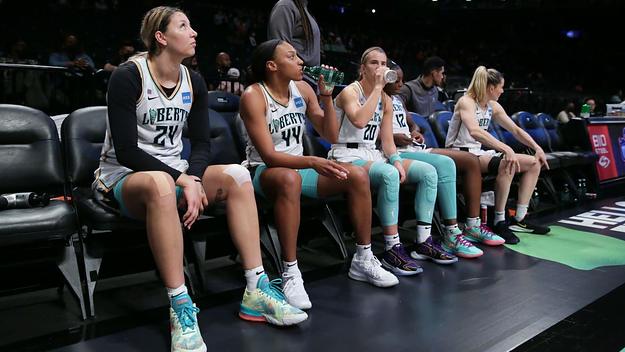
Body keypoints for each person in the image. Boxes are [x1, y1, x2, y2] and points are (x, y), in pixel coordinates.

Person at [93, 7, 307, 352]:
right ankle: (179, 305)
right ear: (161, 38)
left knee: (237, 175)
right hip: (124, 177)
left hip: (176, 174)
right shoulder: (128, 76)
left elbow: (203, 143)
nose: (194, 32)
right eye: (183, 26)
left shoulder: (193, 80)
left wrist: (192, 177)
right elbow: (127, 151)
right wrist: (184, 180)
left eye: (192, 25)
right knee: (161, 184)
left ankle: (256, 288)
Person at [240, 40, 398, 310]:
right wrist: (312, 161)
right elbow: (268, 156)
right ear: (272, 65)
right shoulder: (253, 95)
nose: (301, 61)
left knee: (357, 175)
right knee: (289, 179)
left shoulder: (303, 89)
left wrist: (326, 96)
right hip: (264, 171)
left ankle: (363, 258)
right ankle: (290, 272)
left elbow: (331, 135)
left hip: (302, 167)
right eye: (292, 56)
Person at [330, 47, 482, 272]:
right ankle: (392, 248)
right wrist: (379, 88)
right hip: (346, 154)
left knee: (428, 172)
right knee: (389, 174)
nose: (380, 68)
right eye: (374, 63)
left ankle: (423, 241)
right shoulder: (351, 92)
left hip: (373, 153)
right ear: (362, 69)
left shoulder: (386, 98)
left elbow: (388, 141)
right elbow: (360, 121)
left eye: (383, 63)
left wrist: (397, 160)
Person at [384, 60, 505, 255]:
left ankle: (472, 226)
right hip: (393, 152)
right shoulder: (376, 99)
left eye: (402, 80)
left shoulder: (397, 99)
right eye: (397, 80)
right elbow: (369, 135)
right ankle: (450, 232)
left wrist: (414, 130)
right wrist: (393, 137)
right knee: (443, 165)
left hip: (412, 147)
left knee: (470, 160)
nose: (401, 84)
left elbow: (411, 122)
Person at [446, 66, 551, 243]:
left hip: (478, 153)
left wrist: (537, 148)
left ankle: (519, 219)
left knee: (534, 163)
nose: (503, 90)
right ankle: (500, 220)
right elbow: (474, 131)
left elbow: (516, 130)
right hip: (458, 154)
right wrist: (505, 148)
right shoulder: (466, 101)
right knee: (507, 162)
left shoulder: (492, 106)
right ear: (490, 88)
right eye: (501, 87)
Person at [267, 0, 321, 67]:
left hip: (309, 75)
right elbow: (279, 51)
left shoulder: (305, 8)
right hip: (296, 75)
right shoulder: (285, 5)